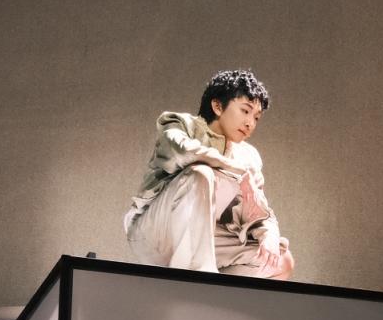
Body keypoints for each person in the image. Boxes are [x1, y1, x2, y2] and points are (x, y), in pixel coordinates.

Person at [123, 69, 296, 278]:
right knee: (201, 174)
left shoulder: (249, 156)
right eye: (245, 111)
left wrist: (269, 235)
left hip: (210, 242)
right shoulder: (180, 124)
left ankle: (213, 294)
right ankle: (201, 277)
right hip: (157, 233)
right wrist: (237, 171)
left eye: (256, 117)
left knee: (281, 261)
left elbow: (258, 211)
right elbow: (184, 151)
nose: (250, 123)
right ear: (217, 106)